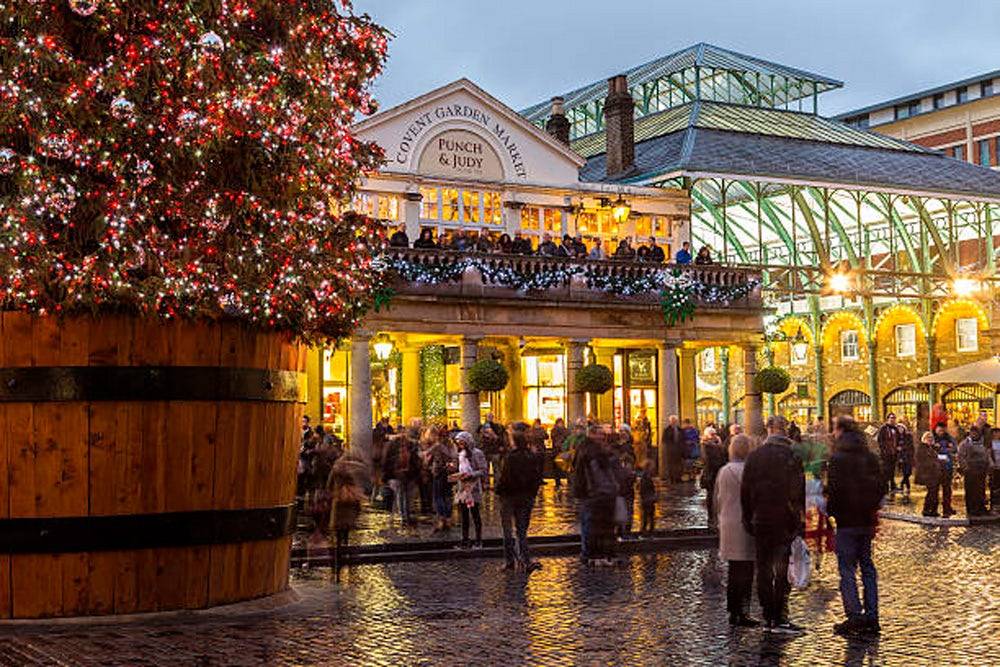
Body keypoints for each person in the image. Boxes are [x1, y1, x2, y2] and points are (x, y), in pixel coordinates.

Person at [741, 415, 805, 634]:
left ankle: (768, 616)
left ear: (768, 430)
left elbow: (745, 491)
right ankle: (780, 616)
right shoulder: (792, 455)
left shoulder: (755, 456)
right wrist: (798, 520)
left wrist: (748, 518)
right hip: (783, 520)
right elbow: (798, 491)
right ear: (784, 429)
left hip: (761, 519)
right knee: (781, 569)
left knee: (764, 569)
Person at [828, 415, 885, 637]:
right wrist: (871, 506)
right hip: (865, 520)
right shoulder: (869, 456)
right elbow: (881, 485)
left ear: (840, 430)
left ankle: (854, 615)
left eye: (834, 429)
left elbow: (833, 490)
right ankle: (872, 614)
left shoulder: (838, 458)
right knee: (868, 568)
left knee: (847, 569)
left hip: (846, 522)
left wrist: (833, 511)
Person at [715, 434, 758, 628]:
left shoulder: (724, 471)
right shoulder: (751, 471)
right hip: (745, 523)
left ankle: (733, 610)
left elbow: (718, 499)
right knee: (747, 570)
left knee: (734, 570)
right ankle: (743, 610)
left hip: (728, 523)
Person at [495, 430, 543, 572]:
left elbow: (505, 478)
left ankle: (510, 561)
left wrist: (499, 490)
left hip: (510, 497)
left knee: (508, 531)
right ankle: (525, 560)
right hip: (526, 497)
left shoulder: (511, 458)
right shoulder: (531, 457)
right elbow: (537, 478)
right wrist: (532, 494)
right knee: (522, 531)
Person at [453, 431, 487, 549]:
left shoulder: (477, 453)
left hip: (473, 488)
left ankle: (478, 540)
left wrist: (471, 474)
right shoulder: (460, 454)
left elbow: (483, 470)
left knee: (475, 514)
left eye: (462, 443)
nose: (460, 445)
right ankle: (465, 539)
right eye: (458, 443)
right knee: (464, 515)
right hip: (462, 488)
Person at [383, 426, 420, 525]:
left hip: (405, 474)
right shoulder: (397, 446)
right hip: (400, 475)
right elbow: (388, 461)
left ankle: (404, 515)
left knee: (404, 495)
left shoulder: (409, 446)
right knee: (402, 494)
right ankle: (404, 515)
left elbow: (415, 460)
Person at [957, 425, 990, 517]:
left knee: (981, 490)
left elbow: (986, 455)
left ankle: (981, 507)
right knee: (971, 491)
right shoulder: (964, 444)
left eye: (976, 432)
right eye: (973, 432)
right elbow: (960, 456)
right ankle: (971, 509)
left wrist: (987, 466)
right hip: (970, 470)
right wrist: (965, 468)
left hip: (981, 470)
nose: (974, 434)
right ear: (970, 433)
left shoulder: (983, 443)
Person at [428, 429, 457, 533]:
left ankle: (442, 518)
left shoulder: (437, 446)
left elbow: (426, 454)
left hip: (439, 473)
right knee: (448, 496)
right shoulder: (452, 445)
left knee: (438, 496)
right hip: (449, 473)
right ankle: (448, 518)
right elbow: (455, 458)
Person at [700, 426, 727, 525]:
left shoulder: (717, 444)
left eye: (715, 434)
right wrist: (718, 446)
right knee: (711, 495)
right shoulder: (706, 445)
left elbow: (723, 455)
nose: (714, 436)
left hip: (717, 472)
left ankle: (716, 514)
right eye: (712, 434)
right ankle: (711, 516)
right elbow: (708, 460)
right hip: (710, 474)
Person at [914, 430, 943, 517]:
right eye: (928, 438)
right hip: (927, 473)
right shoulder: (922, 448)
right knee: (932, 492)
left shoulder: (932, 448)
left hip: (935, 473)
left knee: (935, 492)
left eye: (931, 438)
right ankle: (927, 509)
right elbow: (921, 461)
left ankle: (933, 510)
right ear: (924, 439)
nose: (930, 439)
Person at [933, 422, 957, 517]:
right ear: (936, 430)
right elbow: (931, 449)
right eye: (939, 430)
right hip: (935, 468)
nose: (941, 432)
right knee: (934, 489)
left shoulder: (949, 438)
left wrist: (942, 449)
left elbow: (955, 448)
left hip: (947, 467)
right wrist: (946, 449)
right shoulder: (932, 437)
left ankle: (947, 508)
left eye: (942, 430)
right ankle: (933, 508)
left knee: (947, 489)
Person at [477, 414, 506, 485]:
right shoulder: (481, 427)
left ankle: (497, 483)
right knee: (485, 468)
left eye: (491, 416)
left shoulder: (498, 427)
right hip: (485, 450)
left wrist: (495, 437)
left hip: (495, 451)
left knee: (496, 468)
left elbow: (501, 438)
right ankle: (486, 483)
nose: (490, 418)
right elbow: (479, 438)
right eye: (488, 417)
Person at [876, 413, 901, 495]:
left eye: (894, 418)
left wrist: (898, 447)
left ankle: (892, 485)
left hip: (894, 453)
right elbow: (880, 440)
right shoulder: (883, 428)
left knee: (892, 469)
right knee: (886, 470)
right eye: (891, 418)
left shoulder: (896, 429)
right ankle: (885, 486)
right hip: (886, 454)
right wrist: (884, 450)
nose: (893, 419)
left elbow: (899, 439)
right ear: (887, 419)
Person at [661, 415, 685, 483]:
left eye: (675, 421)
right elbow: (664, 440)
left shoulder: (680, 430)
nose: (674, 422)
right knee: (671, 464)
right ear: (670, 421)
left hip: (679, 450)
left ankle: (678, 477)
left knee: (679, 464)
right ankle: (671, 478)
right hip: (670, 450)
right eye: (673, 421)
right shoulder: (667, 430)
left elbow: (683, 439)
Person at [638, 459, 657, 536]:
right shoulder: (645, 477)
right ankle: (646, 532)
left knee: (648, 517)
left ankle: (647, 531)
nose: (653, 469)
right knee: (647, 517)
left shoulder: (646, 477)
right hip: (647, 500)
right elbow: (643, 489)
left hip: (648, 499)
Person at [549, 417, 569, 488]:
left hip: (563, 451)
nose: (560, 424)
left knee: (563, 467)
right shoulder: (554, 430)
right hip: (556, 451)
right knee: (556, 467)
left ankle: (563, 480)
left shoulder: (565, 430)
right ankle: (557, 481)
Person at [897, 422, 914, 500]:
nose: (900, 430)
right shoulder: (897, 438)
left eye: (901, 428)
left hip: (909, 457)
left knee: (909, 472)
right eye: (898, 428)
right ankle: (907, 486)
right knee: (905, 472)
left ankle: (902, 483)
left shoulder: (908, 436)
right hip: (902, 458)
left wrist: (902, 448)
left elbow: (910, 446)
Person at [990, 427, 1000, 512]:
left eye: (998, 433)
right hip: (994, 467)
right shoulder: (990, 443)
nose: (996, 434)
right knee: (994, 485)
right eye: (995, 433)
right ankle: (994, 504)